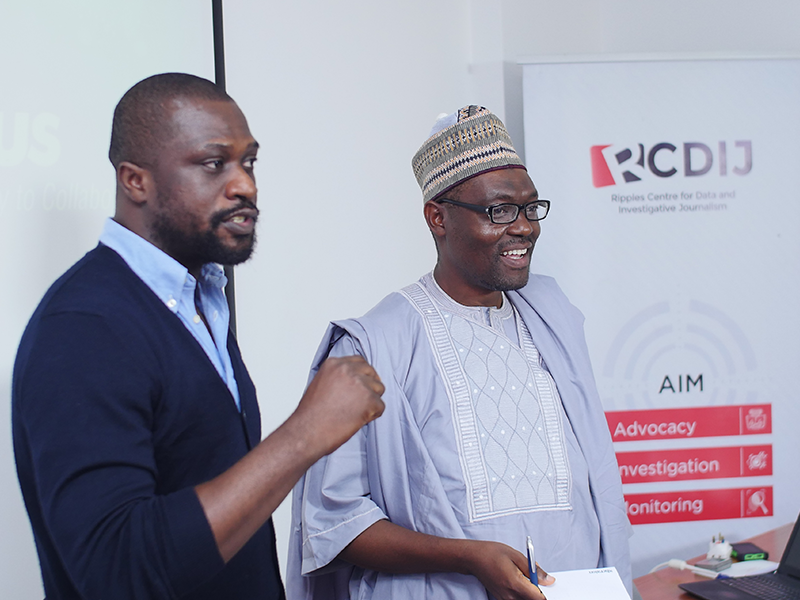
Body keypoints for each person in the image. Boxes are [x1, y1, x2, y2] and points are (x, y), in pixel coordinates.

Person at [12, 73, 385, 600]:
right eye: (214, 164)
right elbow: (116, 570)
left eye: (248, 162)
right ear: (135, 181)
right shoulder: (84, 326)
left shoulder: (200, 298)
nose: (245, 185)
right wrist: (305, 434)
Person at [288, 106, 632, 600]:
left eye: (530, 208)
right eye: (499, 211)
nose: (524, 227)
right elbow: (335, 524)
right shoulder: (375, 346)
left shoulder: (554, 320)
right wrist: (469, 557)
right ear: (438, 218)